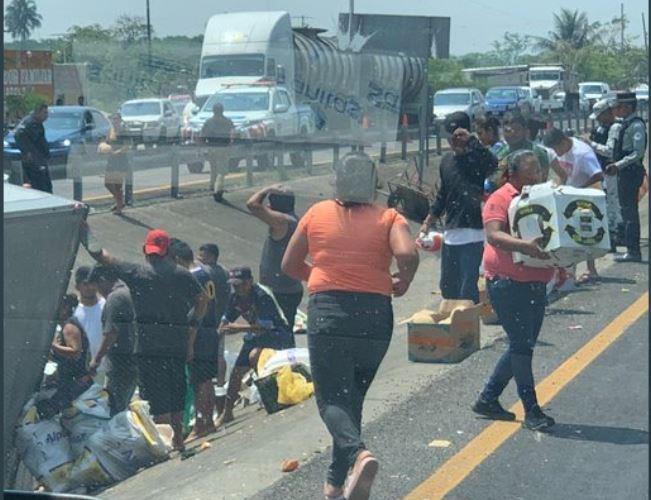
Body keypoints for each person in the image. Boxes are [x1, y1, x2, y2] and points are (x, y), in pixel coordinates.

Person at [281, 152, 419, 500]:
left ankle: (359, 455)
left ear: (337, 182)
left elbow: (289, 263)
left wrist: (318, 276)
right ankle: (335, 481)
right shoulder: (389, 217)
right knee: (352, 397)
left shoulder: (316, 213)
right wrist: (403, 281)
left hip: (329, 312)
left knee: (330, 399)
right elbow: (407, 254)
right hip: (375, 314)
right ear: (372, 185)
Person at [80, 225, 208, 451]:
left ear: (145, 250)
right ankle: (178, 438)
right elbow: (202, 299)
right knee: (176, 390)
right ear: (167, 250)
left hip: (148, 346)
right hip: (176, 342)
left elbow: (103, 256)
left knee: (156, 397)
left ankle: (164, 442)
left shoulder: (138, 273)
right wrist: (192, 323)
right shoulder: (182, 274)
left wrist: (85, 231)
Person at [472, 150, 556, 432]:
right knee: (522, 345)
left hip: (536, 282)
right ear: (513, 173)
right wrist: (524, 246)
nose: (537, 175)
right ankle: (531, 409)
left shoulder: (544, 196)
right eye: (530, 171)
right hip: (507, 283)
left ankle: (487, 399)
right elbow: (494, 235)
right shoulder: (500, 198)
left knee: (523, 344)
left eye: (539, 170)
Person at [420, 112, 497, 304]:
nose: (453, 141)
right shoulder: (446, 161)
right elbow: (443, 195)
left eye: (457, 136)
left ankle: (467, 329)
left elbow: (493, 164)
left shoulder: (477, 159)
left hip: (474, 232)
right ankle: (454, 326)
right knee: (448, 286)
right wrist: (428, 221)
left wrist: (473, 142)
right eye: (450, 137)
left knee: (467, 288)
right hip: (451, 234)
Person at [215, 267, 294, 429]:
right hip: (255, 334)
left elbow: (265, 326)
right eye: (234, 285)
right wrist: (219, 332)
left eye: (240, 285)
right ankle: (227, 412)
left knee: (255, 356)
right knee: (237, 372)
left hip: (276, 334)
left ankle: (269, 395)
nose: (237, 289)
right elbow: (226, 318)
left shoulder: (261, 295)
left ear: (249, 282)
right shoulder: (235, 297)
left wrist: (238, 329)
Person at [168, 239, 220, 440]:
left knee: (199, 381)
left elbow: (197, 308)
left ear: (178, 259)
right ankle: (208, 421)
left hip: (198, 333)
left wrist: (188, 341)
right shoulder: (205, 273)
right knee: (206, 379)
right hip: (210, 330)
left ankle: (200, 424)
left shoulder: (189, 278)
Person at [543, 128, 604, 284]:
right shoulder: (563, 149)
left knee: (586, 233)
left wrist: (580, 189)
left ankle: (592, 269)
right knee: (572, 234)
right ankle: (571, 273)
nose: (556, 152)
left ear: (563, 141)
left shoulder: (582, 154)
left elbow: (598, 174)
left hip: (585, 195)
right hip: (570, 194)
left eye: (557, 148)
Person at [247, 184, 304, 335]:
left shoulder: (282, 221)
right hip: (287, 289)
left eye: (270, 202)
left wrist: (266, 189)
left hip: (279, 292)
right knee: (283, 330)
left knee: (274, 333)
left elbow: (252, 205)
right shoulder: (293, 219)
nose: (267, 205)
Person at [87, 265, 138, 415]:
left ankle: (117, 435)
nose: (99, 293)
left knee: (115, 405)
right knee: (124, 402)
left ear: (103, 280)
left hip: (122, 361)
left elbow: (111, 333)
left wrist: (96, 359)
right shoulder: (130, 291)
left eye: (98, 287)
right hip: (134, 358)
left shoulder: (115, 298)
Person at [36, 294, 93, 419]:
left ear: (66, 308)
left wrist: (51, 345)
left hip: (77, 382)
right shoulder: (65, 326)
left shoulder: (69, 327)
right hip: (69, 380)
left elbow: (75, 352)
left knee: (46, 410)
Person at [606, 91, 648, 263]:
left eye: (619, 107)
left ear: (628, 107)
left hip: (631, 172)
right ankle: (631, 248)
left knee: (629, 212)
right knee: (626, 211)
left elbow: (637, 153)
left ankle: (633, 250)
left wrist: (618, 165)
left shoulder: (636, 126)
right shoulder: (623, 125)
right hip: (624, 172)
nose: (616, 110)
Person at [197, 243, 230, 413]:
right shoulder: (224, 271)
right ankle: (221, 383)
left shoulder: (207, 272)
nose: (199, 259)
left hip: (211, 319)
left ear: (211, 256)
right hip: (222, 316)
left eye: (202, 256)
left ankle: (217, 387)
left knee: (215, 355)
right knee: (220, 352)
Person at [586, 98, 622, 253]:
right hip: (602, 171)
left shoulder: (616, 127)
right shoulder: (601, 128)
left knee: (612, 203)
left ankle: (614, 235)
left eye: (601, 116)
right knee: (606, 201)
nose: (599, 120)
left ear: (608, 113)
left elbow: (610, 151)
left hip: (612, 170)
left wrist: (591, 145)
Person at [489, 113, 554, 189]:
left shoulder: (537, 152)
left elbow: (542, 180)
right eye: (508, 130)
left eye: (517, 129)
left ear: (525, 131)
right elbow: (494, 181)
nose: (512, 133)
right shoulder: (499, 154)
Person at [73, 266, 107, 380]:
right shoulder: (73, 311)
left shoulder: (107, 306)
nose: (90, 287)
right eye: (86, 284)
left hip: (104, 370)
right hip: (80, 371)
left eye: (93, 283)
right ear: (77, 286)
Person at [14, 103, 52, 193]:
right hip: (35, 163)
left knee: (46, 187)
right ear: (37, 112)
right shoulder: (30, 124)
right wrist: (29, 154)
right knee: (41, 189)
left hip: (40, 160)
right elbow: (19, 136)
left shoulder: (37, 123)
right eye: (44, 113)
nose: (47, 116)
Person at [201, 102, 234, 202]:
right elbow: (233, 135)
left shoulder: (208, 122)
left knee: (213, 168)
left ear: (213, 111)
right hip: (223, 148)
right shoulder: (227, 122)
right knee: (221, 171)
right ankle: (217, 190)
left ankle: (211, 186)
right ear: (222, 110)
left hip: (211, 148)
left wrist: (204, 147)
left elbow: (203, 136)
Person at [100, 113, 131, 215]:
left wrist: (118, 152)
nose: (114, 121)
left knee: (118, 185)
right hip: (111, 159)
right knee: (107, 183)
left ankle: (119, 207)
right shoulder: (110, 131)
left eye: (116, 119)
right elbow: (106, 142)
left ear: (120, 120)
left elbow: (127, 146)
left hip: (121, 160)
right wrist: (103, 147)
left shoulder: (124, 131)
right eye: (113, 119)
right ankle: (119, 201)